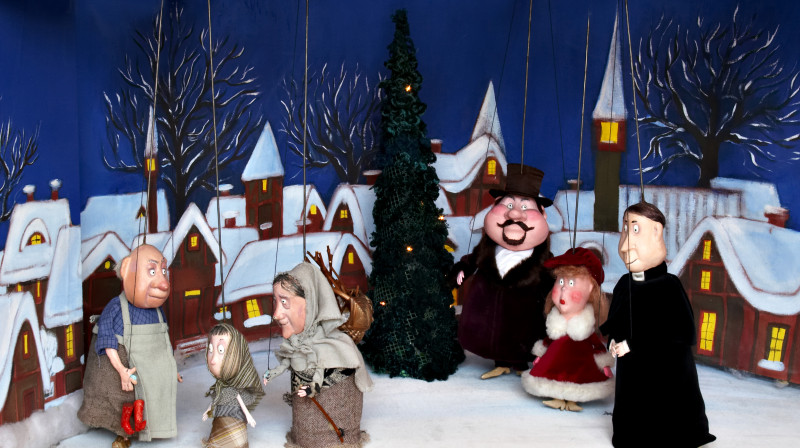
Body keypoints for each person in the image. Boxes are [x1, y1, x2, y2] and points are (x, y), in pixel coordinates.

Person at [600, 202, 716, 447]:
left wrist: (633, 345)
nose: (626, 244)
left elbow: (679, 333)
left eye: (635, 229)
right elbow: (617, 321)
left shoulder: (669, 286)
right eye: (625, 229)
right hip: (631, 375)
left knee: (664, 413)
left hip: (665, 376)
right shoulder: (623, 284)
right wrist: (613, 340)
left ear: (656, 232)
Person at [451, 163, 554, 379]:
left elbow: (553, 279)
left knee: (524, 335)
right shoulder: (487, 249)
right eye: (508, 204)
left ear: (542, 214)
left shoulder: (543, 260)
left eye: (525, 207)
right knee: (493, 335)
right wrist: (463, 269)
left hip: (524, 326)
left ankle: (520, 363)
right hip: (487, 322)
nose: (515, 214)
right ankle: (501, 362)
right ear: (495, 205)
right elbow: (472, 260)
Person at [78, 244, 182, 448]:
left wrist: (171, 369)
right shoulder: (116, 308)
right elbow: (107, 340)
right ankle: (123, 435)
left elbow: (163, 341)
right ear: (126, 270)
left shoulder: (157, 312)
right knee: (122, 400)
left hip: (150, 369)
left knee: (151, 399)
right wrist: (121, 370)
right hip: (124, 366)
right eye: (152, 271)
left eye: (163, 271)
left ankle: (151, 427)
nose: (163, 283)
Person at [263, 262, 373, 448]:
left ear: (311, 302)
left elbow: (320, 372)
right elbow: (286, 365)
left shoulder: (337, 348)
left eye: (284, 302)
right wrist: (272, 373)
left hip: (337, 437)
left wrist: (312, 388)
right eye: (276, 301)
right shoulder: (296, 345)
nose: (276, 314)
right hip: (303, 436)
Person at [521, 247, 614, 411]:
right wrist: (540, 355)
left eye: (571, 283)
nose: (564, 289)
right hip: (553, 367)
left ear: (590, 289)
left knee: (580, 380)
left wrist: (604, 364)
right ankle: (557, 397)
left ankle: (572, 400)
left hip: (581, 368)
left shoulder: (585, 326)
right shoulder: (555, 322)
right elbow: (548, 341)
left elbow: (596, 346)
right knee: (552, 378)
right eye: (560, 282)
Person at [202, 323, 264, 448]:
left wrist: (248, 415)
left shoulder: (232, 385)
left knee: (234, 437)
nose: (213, 360)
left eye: (221, 350)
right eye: (210, 349)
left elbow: (238, 398)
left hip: (234, 414)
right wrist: (208, 410)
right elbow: (217, 397)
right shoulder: (220, 385)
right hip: (221, 412)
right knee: (219, 432)